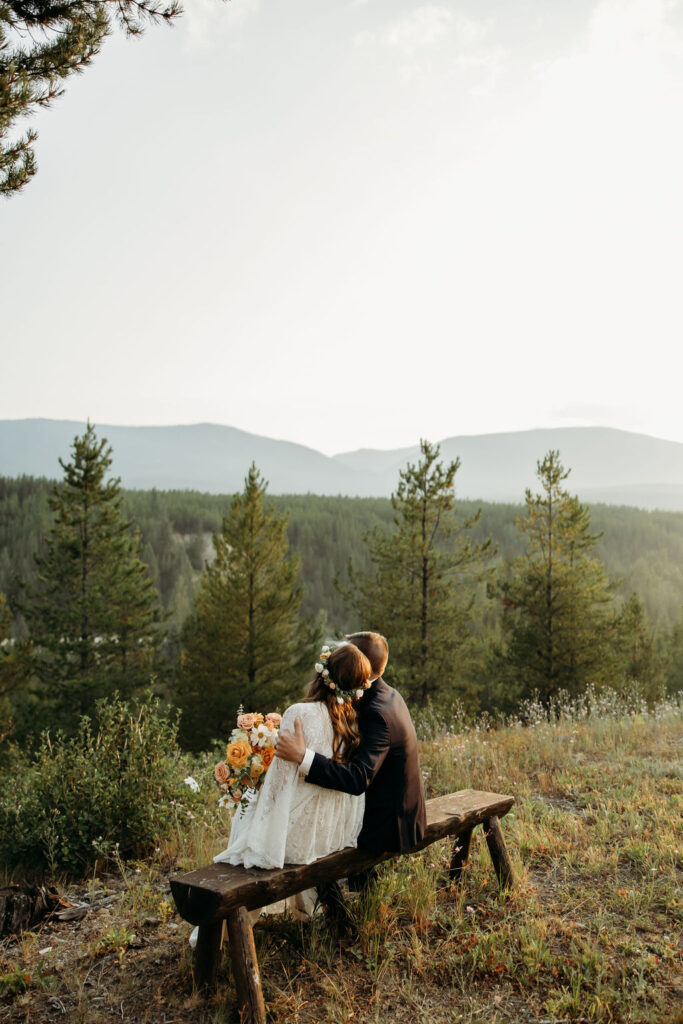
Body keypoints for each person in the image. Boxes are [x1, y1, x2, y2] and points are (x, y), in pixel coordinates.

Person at [212, 642, 372, 919]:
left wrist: (251, 804)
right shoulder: (356, 722)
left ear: (323, 674)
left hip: (298, 841)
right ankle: (304, 908)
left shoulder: (300, 713)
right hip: (330, 835)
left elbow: (278, 787)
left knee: (246, 812)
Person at [276, 631, 426, 880]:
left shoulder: (374, 712)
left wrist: (303, 756)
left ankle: (343, 905)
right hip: (401, 807)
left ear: (360, 665)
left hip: (392, 824)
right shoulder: (388, 694)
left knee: (306, 827)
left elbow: (358, 779)